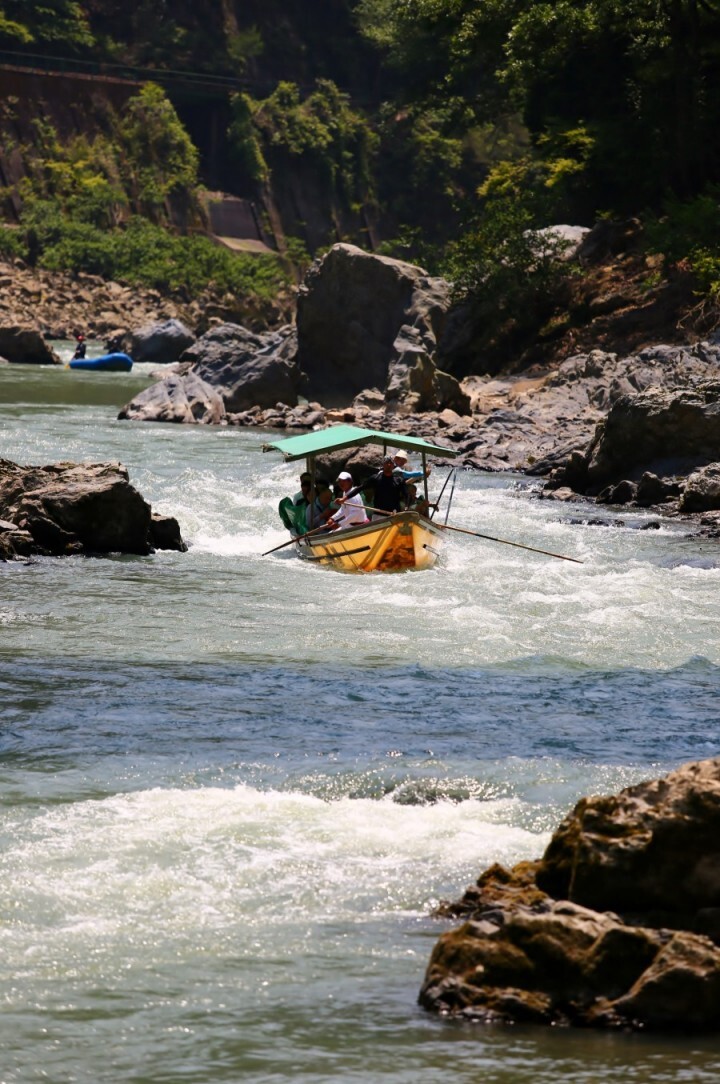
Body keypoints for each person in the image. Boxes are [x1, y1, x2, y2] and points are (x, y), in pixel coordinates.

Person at [339, 457, 406, 518]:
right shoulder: (375, 478)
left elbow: (406, 495)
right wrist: (344, 499)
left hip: (394, 515)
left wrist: (406, 507)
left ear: (393, 466)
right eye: (386, 463)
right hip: (379, 515)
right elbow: (359, 488)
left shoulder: (399, 480)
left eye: (391, 463)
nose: (389, 465)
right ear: (383, 465)